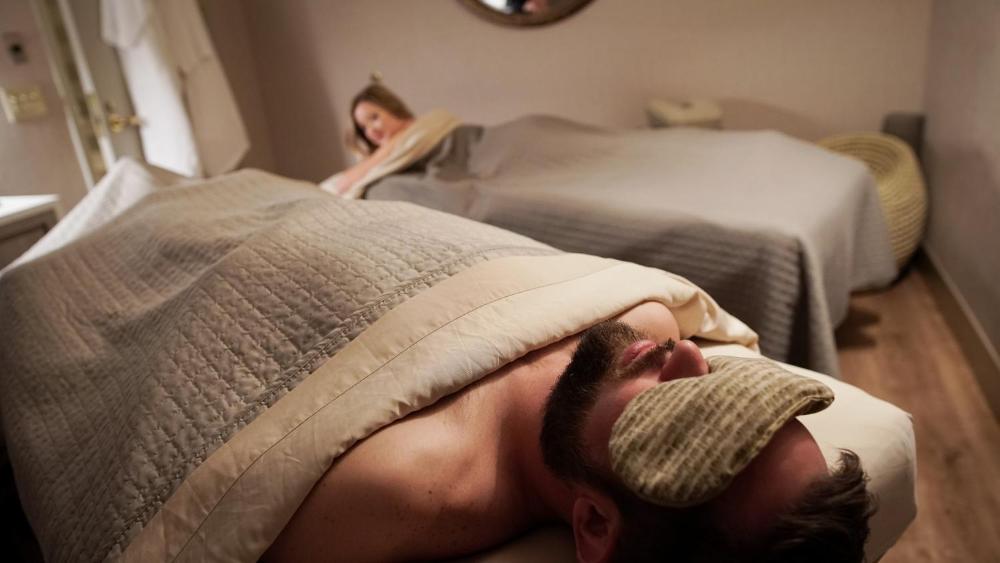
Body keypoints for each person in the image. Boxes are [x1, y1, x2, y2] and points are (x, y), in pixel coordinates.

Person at [264, 301, 873, 562]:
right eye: (732, 394)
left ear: (596, 525)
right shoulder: (646, 318)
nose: (688, 352)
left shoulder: (403, 484)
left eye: (683, 421)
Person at [333, 80, 415, 195]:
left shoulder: (418, 132)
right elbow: (341, 184)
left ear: (393, 108)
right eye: (363, 128)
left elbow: (344, 184)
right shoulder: (389, 149)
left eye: (374, 118)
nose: (371, 131)